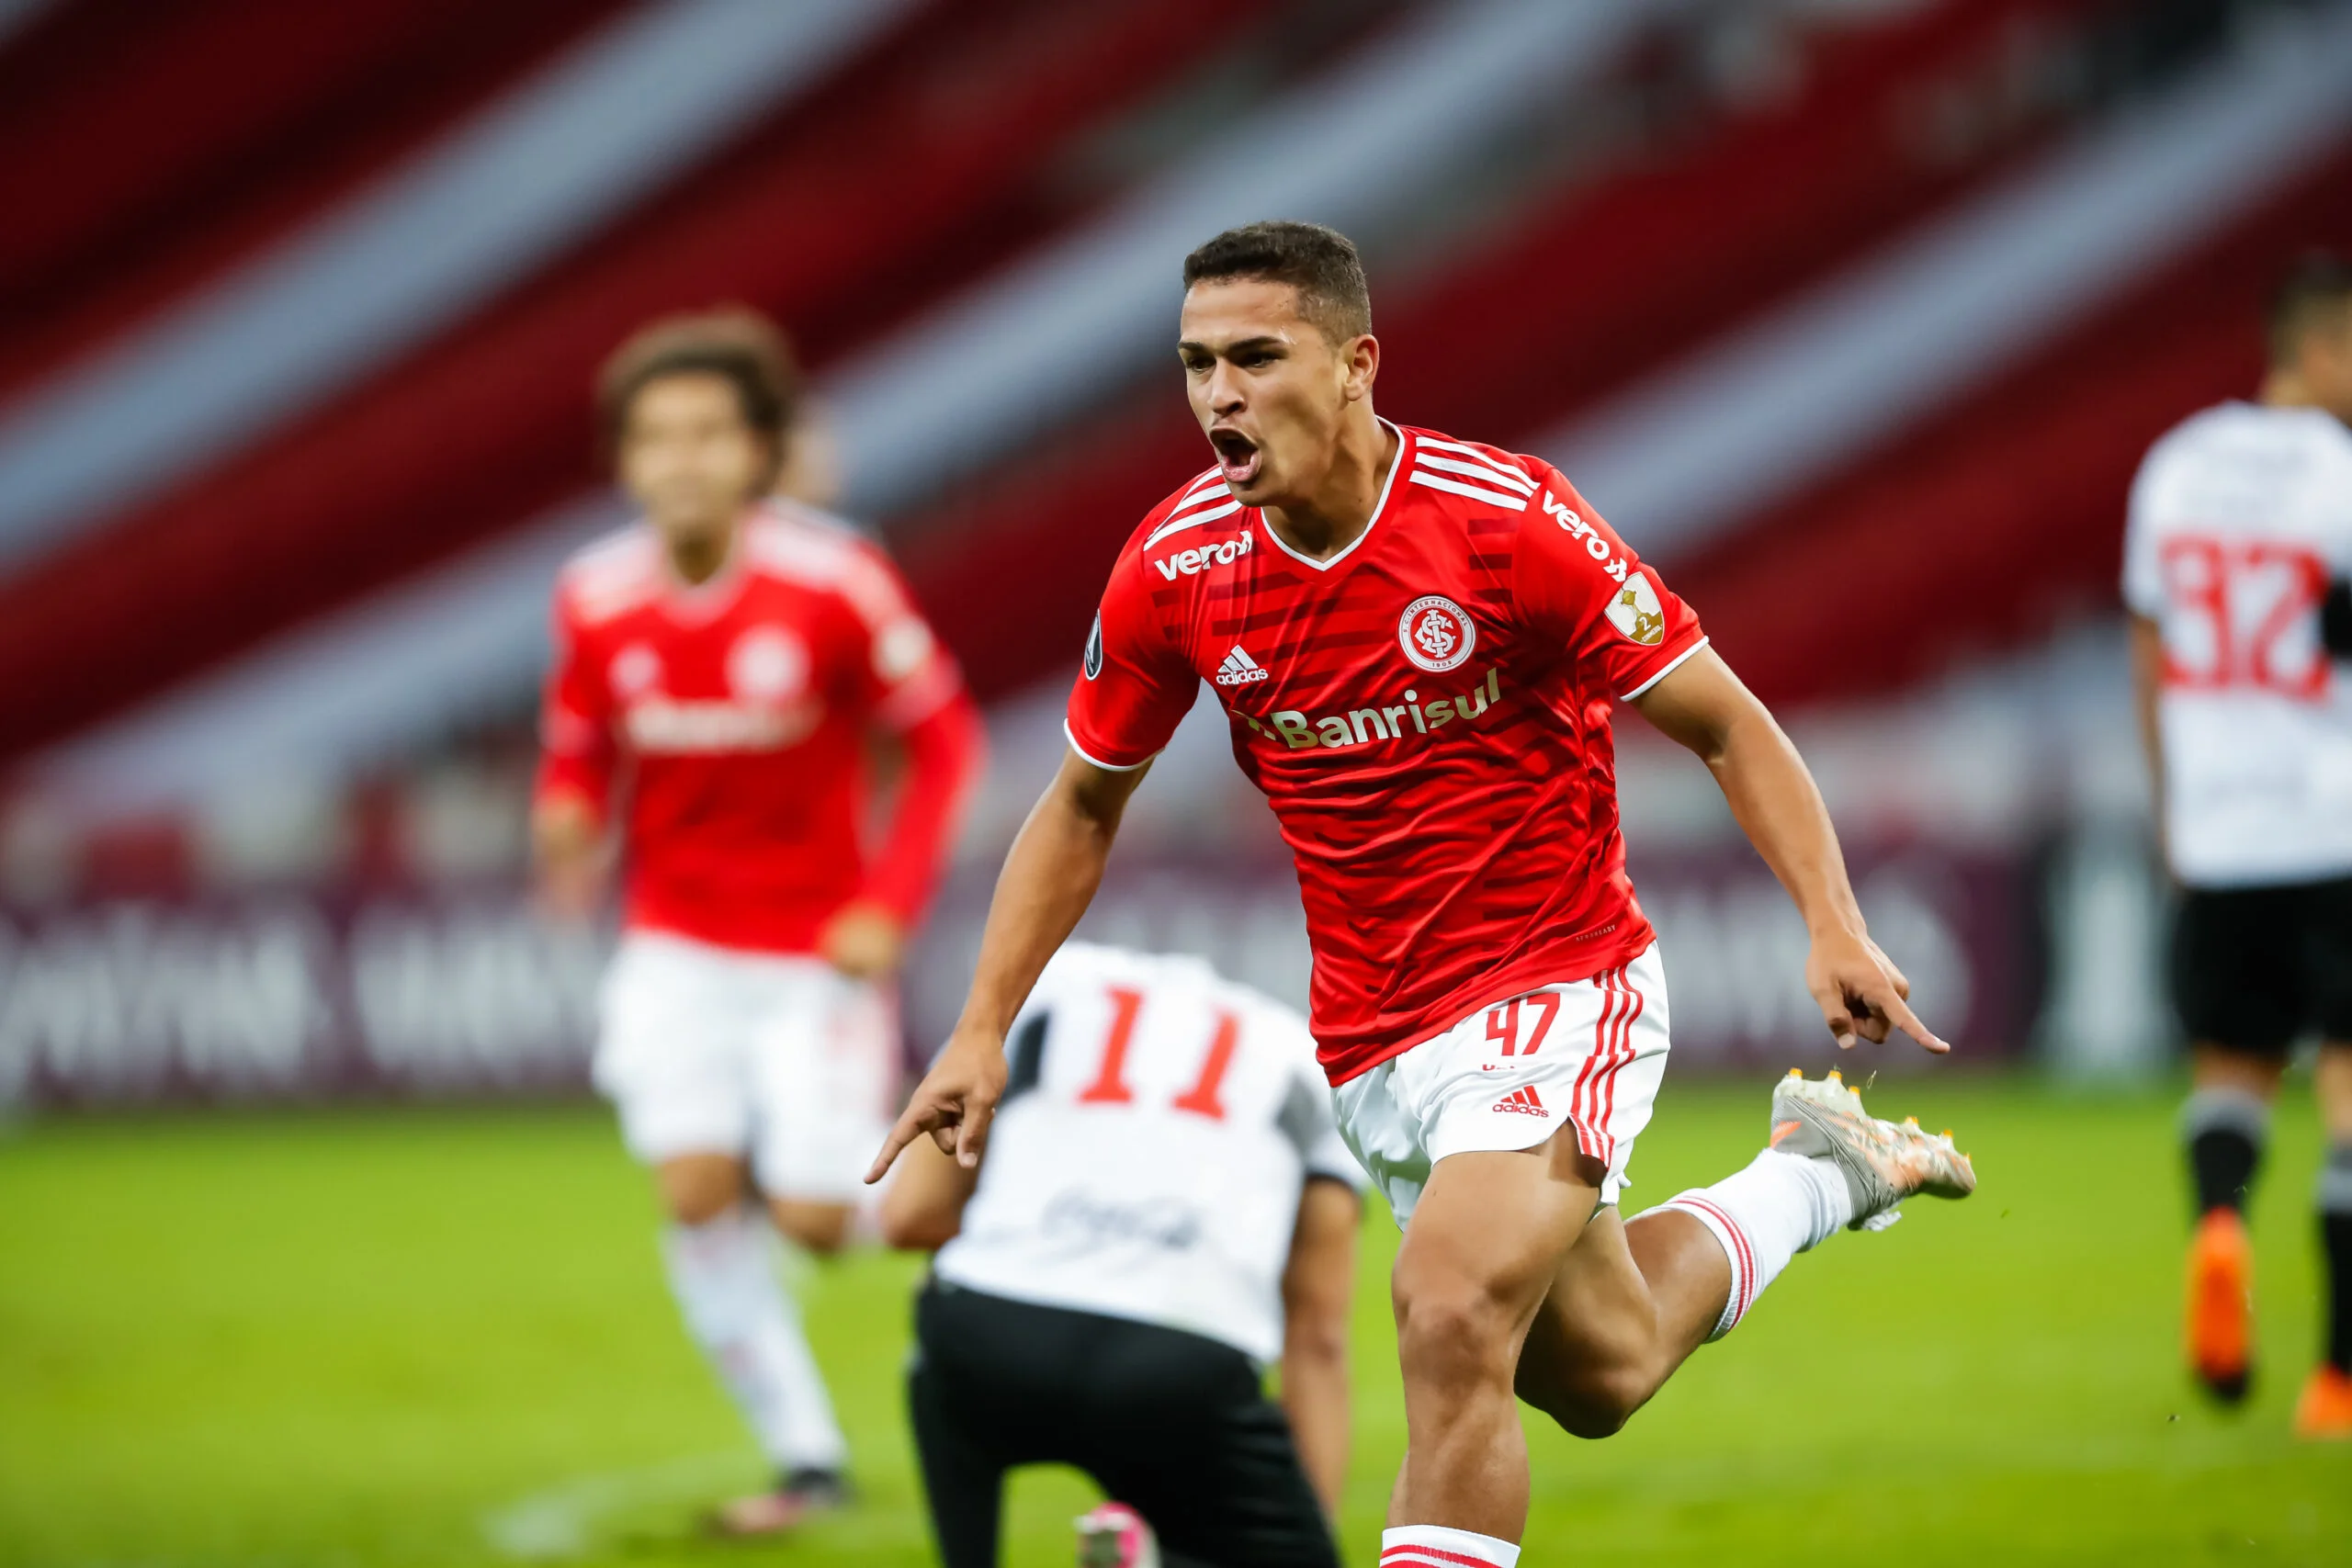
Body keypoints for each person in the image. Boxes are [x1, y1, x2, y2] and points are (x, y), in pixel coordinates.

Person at [865, 220, 1974, 1565]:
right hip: (1374, 1030)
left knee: (1445, 1310)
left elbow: (1727, 721)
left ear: (1355, 364)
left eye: (1257, 356)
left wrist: (1830, 916)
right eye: (1196, 362)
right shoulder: (1175, 568)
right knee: (1600, 1370)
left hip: (1561, 983)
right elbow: (1083, 800)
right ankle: (1822, 1174)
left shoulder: (1506, 525)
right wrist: (983, 1020)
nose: (1220, 392)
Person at [535, 309, 986, 1529]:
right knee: (691, 1188)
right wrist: (564, 818)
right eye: (653, 436)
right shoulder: (593, 596)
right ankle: (809, 1456)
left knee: (813, 1215)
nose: (679, 458)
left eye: (707, 433)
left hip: (812, 953)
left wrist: (886, 907)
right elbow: (579, 752)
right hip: (673, 945)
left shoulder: (834, 579)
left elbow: (943, 743)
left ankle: (1020, 1186)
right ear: (624, 458)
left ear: (758, 451)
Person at [880, 941, 1363, 1568]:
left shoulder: (1041, 986)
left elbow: (909, 1214)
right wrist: (1300, 1533)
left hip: (990, 1333)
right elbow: (1318, 1332)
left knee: (940, 1322)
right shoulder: (1307, 1051)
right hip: (1185, 1359)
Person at [2123, 253, 2352, 1438]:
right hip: (2336, 815)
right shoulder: (2342, 477)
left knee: (2231, 1068)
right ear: (2317, 348)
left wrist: (2173, 805)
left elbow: (2151, 647)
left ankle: (2220, 1224)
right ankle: (2340, 1379)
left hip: (2218, 826)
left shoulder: (2176, 468)